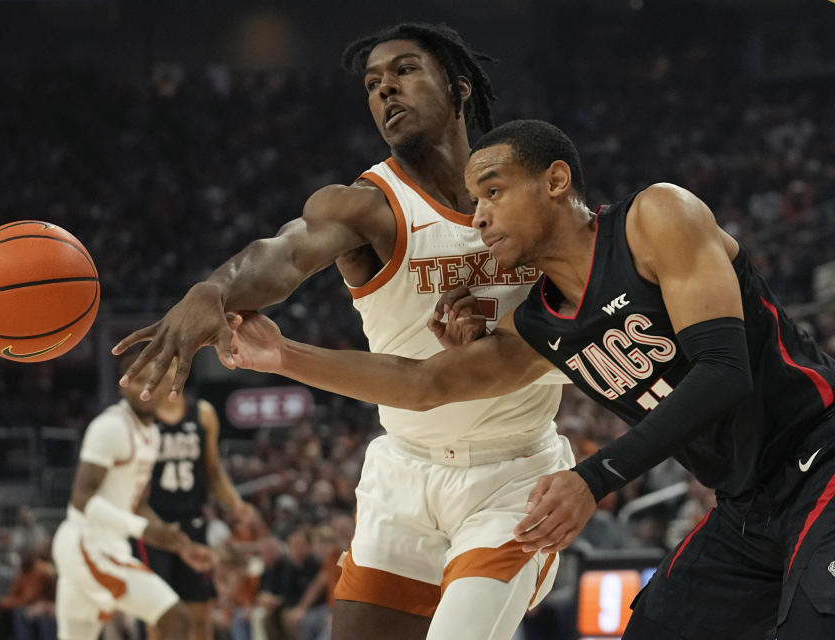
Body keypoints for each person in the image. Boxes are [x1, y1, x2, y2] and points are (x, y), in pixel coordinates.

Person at [226, 119, 835, 639]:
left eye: (492, 191)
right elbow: (424, 386)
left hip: (822, 457)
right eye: (473, 202)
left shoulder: (655, 218)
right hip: (747, 505)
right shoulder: (540, 322)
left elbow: (724, 372)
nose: (480, 216)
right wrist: (284, 357)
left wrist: (593, 478)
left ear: (556, 180)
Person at [114, 22, 573, 640]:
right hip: (404, 472)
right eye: (373, 84)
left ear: (460, 87)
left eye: (405, 71)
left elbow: (583, 287)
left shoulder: (527, 191)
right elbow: (283, 254)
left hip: (512, 475)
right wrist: (215, 288)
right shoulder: (367, 204)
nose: (386, 90)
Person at [50, 356, 214, 640]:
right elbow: (81, 499)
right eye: (138, 380)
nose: (147, 388)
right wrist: (143, 529)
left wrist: (183, 547)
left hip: (108, 545)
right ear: (123, 385)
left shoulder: (151, 433)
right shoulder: (110, 427)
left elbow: (138, 505)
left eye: (156, 380)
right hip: (87, 545)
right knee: (176, 618)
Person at [139, 390, 258, 640]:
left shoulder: (202, 413)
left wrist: (236, 504)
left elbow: (212, 469)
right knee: (158, 615)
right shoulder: (141, 415)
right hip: (155, 526)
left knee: (200, 613)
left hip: (192, 522)